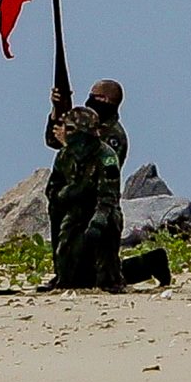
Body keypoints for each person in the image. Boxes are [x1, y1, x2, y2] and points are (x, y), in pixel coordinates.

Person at [44, 79, 171, 289]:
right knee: (77, 271)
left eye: (96, 97)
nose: (90, 100)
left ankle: (151, 263)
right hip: (73, 204)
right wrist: (57, 110)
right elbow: (52, 141)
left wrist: (70, 144)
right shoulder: (82, 124)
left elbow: (99, 176)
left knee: (103, 275)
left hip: (97, 206)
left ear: (107, 101)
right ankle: (63, 276)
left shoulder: (114, 137)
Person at [45, 106, 126, 291]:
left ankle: (111, 280)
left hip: (101, 210)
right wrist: (65, 195)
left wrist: (97, 222)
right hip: (76, 209)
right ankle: (63, 277)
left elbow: (109, 195)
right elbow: (53, 187)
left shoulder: (106, 157)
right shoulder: (65, 155)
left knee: (107, 238)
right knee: (66, 250)